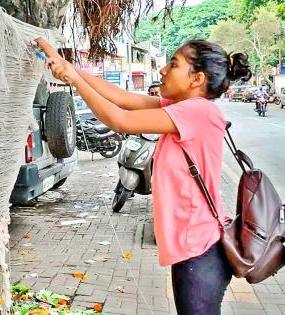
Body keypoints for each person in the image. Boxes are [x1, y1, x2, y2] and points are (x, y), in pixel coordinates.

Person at [36, 38, 251, 314]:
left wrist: (74, 81)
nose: (162, 71)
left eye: (174, 64)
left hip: (200, 250)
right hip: (194, 247)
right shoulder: (182, 108)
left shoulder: (197, 111)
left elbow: (121, 120)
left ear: (197, 78)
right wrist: (71, 70)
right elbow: (123, 99)